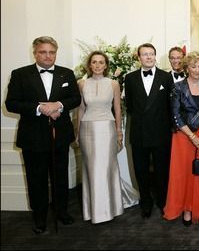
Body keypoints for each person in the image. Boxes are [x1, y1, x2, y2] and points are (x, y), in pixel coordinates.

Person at [5, 36, 81, 234]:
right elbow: (11, 103)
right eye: (43, 52)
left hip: (60, 135)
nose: (48, 56)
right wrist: (40, 108)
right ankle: (39, 218)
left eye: (51, 52)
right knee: (36, 179)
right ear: (35, 53)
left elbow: (75, 98)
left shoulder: (67, 73)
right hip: (33, 137)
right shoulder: (20, 74)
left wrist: (59, 105)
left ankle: (61, 212)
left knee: (60, 177)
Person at [76, 51, 139, 224]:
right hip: (87, 129)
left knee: (106, 167)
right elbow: (81, 108)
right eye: (94, 62)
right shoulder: (81, 84)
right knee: (91, 168)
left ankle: (110, 207)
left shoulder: (113, 84)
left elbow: (117, 109)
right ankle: (93, 209)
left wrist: (119, 131)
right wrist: (77, 131)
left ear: (105, 65)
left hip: (107, 128)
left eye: (101, 62)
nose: (97, 65)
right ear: (90, 65)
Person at [163, 51, 199, 226]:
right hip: (184, 136)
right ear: (187, 67)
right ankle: (187, 208)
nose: (197, 69)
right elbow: (175, 115)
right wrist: (192, 136)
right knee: (185, 172)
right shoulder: (177, 87)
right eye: (193, 66)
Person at [124, 43, 174, 219]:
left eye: (151, 54)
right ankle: (145, 202)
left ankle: (162, 201)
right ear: (139, 57)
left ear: (155, 55)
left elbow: (170, 106)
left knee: (162, 170)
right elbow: (129, 106)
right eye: (145, 54)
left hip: (161, 132)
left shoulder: (166, 77)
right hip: (139, 132)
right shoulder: (129, 78)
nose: (149, 57)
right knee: (141, 170)